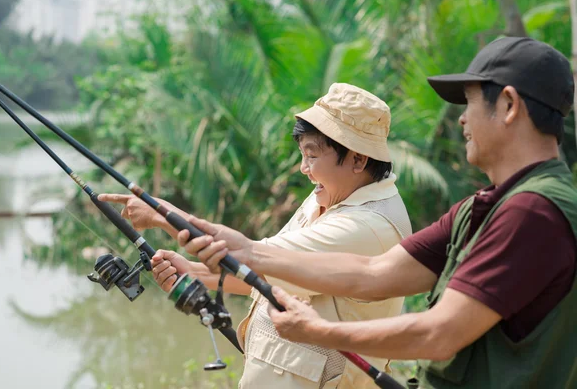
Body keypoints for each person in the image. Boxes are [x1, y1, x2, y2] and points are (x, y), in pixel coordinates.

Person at [178, 37, 577, 389]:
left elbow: (438, 334)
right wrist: (249, 251)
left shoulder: (532, 212)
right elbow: (374, 275)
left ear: (508, 105)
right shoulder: (483, 207)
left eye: (469, 103)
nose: (461, 119)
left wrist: (321, 332)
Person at [99, 83, 413, 388]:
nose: (304, 168)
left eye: (313, 155)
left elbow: (257, 256)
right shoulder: (326, 196)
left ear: (358, 159)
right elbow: (268, 275)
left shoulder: (369, 225)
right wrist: (194, 272)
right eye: (302, 154)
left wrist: (161, 214)